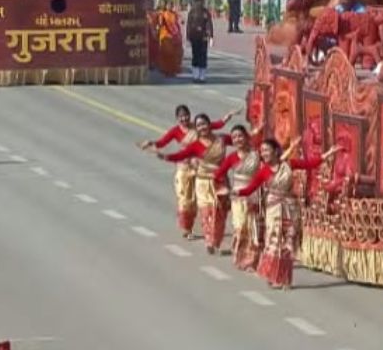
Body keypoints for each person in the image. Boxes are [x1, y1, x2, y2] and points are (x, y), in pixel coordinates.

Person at [235, 138, 340, 289]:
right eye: (262, 151)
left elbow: (310, 164)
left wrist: (329, 153)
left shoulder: (288, 165)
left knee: (288, 244)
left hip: (290, 209)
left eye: (267, 150)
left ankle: (284, 278)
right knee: (274, 243)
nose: (264, 153)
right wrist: (238, 191)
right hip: (273, 210)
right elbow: (251, 188)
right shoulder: (263, 171)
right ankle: (273, 275)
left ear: (276, 151)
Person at [139, 106, 234, 237]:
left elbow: (217, 124)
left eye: (186, 116)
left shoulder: (198, 126)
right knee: (185, 200)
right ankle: (186, 228)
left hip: (200, 168)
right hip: (184, 168)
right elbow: (162, 143)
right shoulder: (175, 131)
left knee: (204, 200)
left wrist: (227, 117)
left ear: (190, 115)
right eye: (181, 117)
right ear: (177, 118)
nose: (184, 119)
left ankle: (210, 226)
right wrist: (151, 143)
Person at [213, 125, 263, 271]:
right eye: (234, 137)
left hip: (253, 196)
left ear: (246, 137)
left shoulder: (256, 155)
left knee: (253, 229)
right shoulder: (232, 158)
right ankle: (241, 256)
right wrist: (226, 189)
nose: (238, 139)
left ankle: (252, 261)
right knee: (240, 227)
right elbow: (218, 175)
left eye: (240, 136)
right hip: (238, 198)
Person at [185, 0, 213, 83]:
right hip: (194, 37)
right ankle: (195, 75)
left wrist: (211, 36)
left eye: (201, 1)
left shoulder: (206, 12)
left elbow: (209, 24)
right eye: (197, 1)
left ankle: (202, 75)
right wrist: (188, 37)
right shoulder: (192, 13)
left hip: (203, 37)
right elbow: (188, 25)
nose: (199, 3)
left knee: (203, 56)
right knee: (195, 55)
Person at [154, 0, 184, 78]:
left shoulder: (174, 14)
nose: (170, 7)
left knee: (174, 55)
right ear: (166, 6)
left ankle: (173, 70)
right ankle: (166, 70)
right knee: (166, 54)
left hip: (174, 37)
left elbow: (180, 20)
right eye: (168, 5)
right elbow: (160, 24)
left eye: (171, 5)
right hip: (165, 36)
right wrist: (159, 26)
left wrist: (182, 21)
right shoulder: (163, 14)